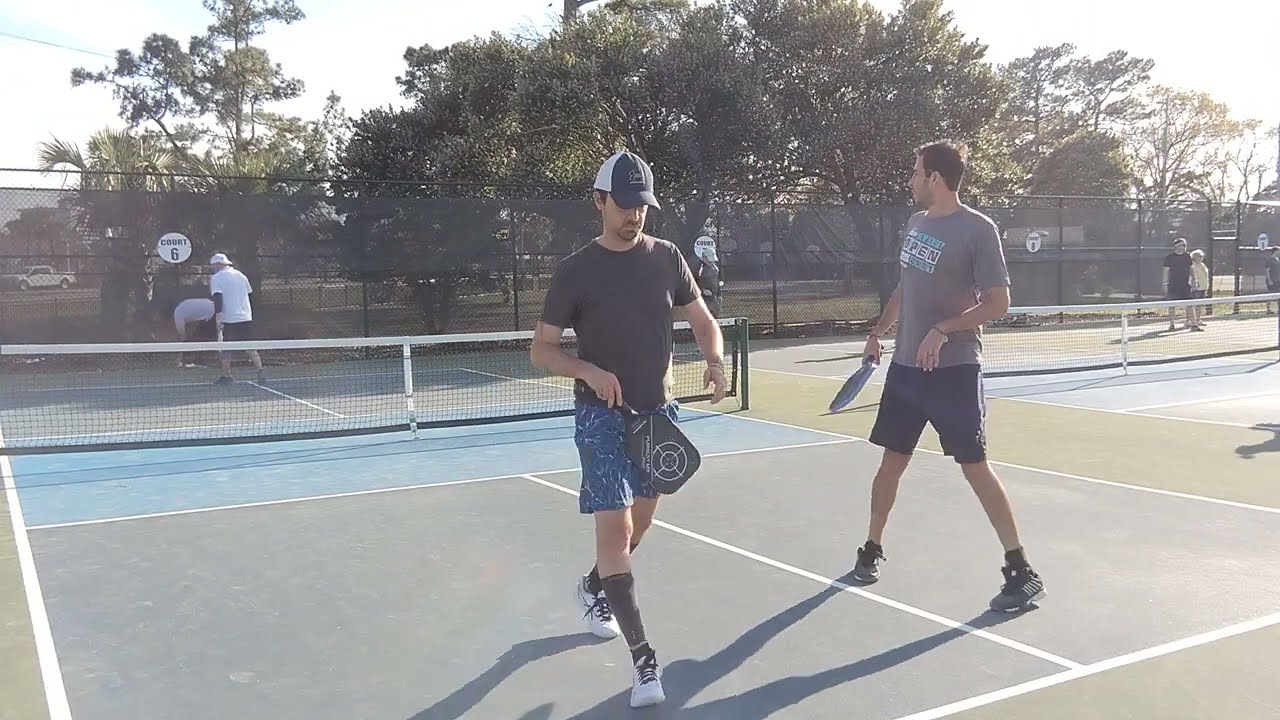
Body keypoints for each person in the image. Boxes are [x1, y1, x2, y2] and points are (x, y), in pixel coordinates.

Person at [529, 150, 727, 708]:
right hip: (599, 417)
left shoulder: (668, 258)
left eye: (642, 205)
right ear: (599, 201)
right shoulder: (575, 271)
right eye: (624, 205)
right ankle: (645, 666)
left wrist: (713, 359)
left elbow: (703, 320)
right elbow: (541, 351)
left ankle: (594, 587)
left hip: (657, 417)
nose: (634, 216)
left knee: (638, 527)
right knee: (615, 533)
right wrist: (587, 369)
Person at [851, 140, 1046, 614]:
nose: (911, 180)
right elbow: (904, 286)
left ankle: (1021, 570)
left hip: (954, 370)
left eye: (916, 172)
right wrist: (879, 331)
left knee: (974, 466)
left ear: (936, 177)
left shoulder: (978, 231)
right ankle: (872, 548)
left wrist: (944, 329)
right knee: (891, 462)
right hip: (905, 370)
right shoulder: (916, 225)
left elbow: (999, 303)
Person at [208, 253, 263, 384]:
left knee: (227, 348)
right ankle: (261, 372)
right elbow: (250, 295)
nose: (213, 268)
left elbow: (218, 298)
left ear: (219, 265)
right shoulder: (241, 276)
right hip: (246, 317)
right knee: (250, 346)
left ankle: (227, 376)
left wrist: (218, 316)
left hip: (229, 319)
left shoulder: (216, 278)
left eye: (214, 265)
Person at [172, 296, 217, 367]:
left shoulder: (178, 314)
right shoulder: (183, 307)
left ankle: (197, 359)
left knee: (201, 336)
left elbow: (183, 337)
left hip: (212, 312)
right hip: (210, 305)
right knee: (198, 335)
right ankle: (197, 359)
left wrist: (179, 357)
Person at [1162, 238, 1194, 330]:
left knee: (1189, 304)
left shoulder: (1187, 256)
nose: (1183, 247)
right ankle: (1172, 324)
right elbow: (1165, 271)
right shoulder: (1169, 258)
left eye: (1184, 245)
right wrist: (1164, 284)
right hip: (1173, 285)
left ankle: (1189, 322)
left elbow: (1191, 269)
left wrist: (1194, 280)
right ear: (1176, 246)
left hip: (1185, 285)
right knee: (1172, 305)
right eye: (1181, 245)